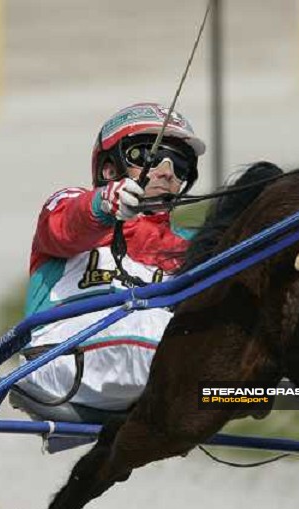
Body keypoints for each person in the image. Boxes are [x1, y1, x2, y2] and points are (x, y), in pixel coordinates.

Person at [20, 102, 206, 412]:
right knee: (153, 324)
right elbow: (65, 227)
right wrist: (104, 205)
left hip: (151, 376)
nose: (166, 172)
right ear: (109, 169)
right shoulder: (69, 205)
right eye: (149, 156)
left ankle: (270, 395)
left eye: (180, 165)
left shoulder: (189, 244)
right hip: (58, 362)